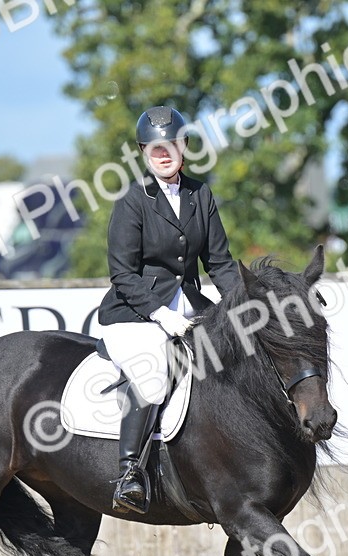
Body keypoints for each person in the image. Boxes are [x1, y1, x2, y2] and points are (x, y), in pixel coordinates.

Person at [97, 105, 243, 514]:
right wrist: (161, 314)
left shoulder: (201, 194)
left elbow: (220, 263)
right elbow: (122, 274)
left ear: (184, 147)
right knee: (154, 373)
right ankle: (129, 474)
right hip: (135, 313)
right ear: (144, 152)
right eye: (153, 148)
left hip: (191, 308)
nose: (163, 154)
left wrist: (241, 306)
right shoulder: (131, 200)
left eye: (170, 146)